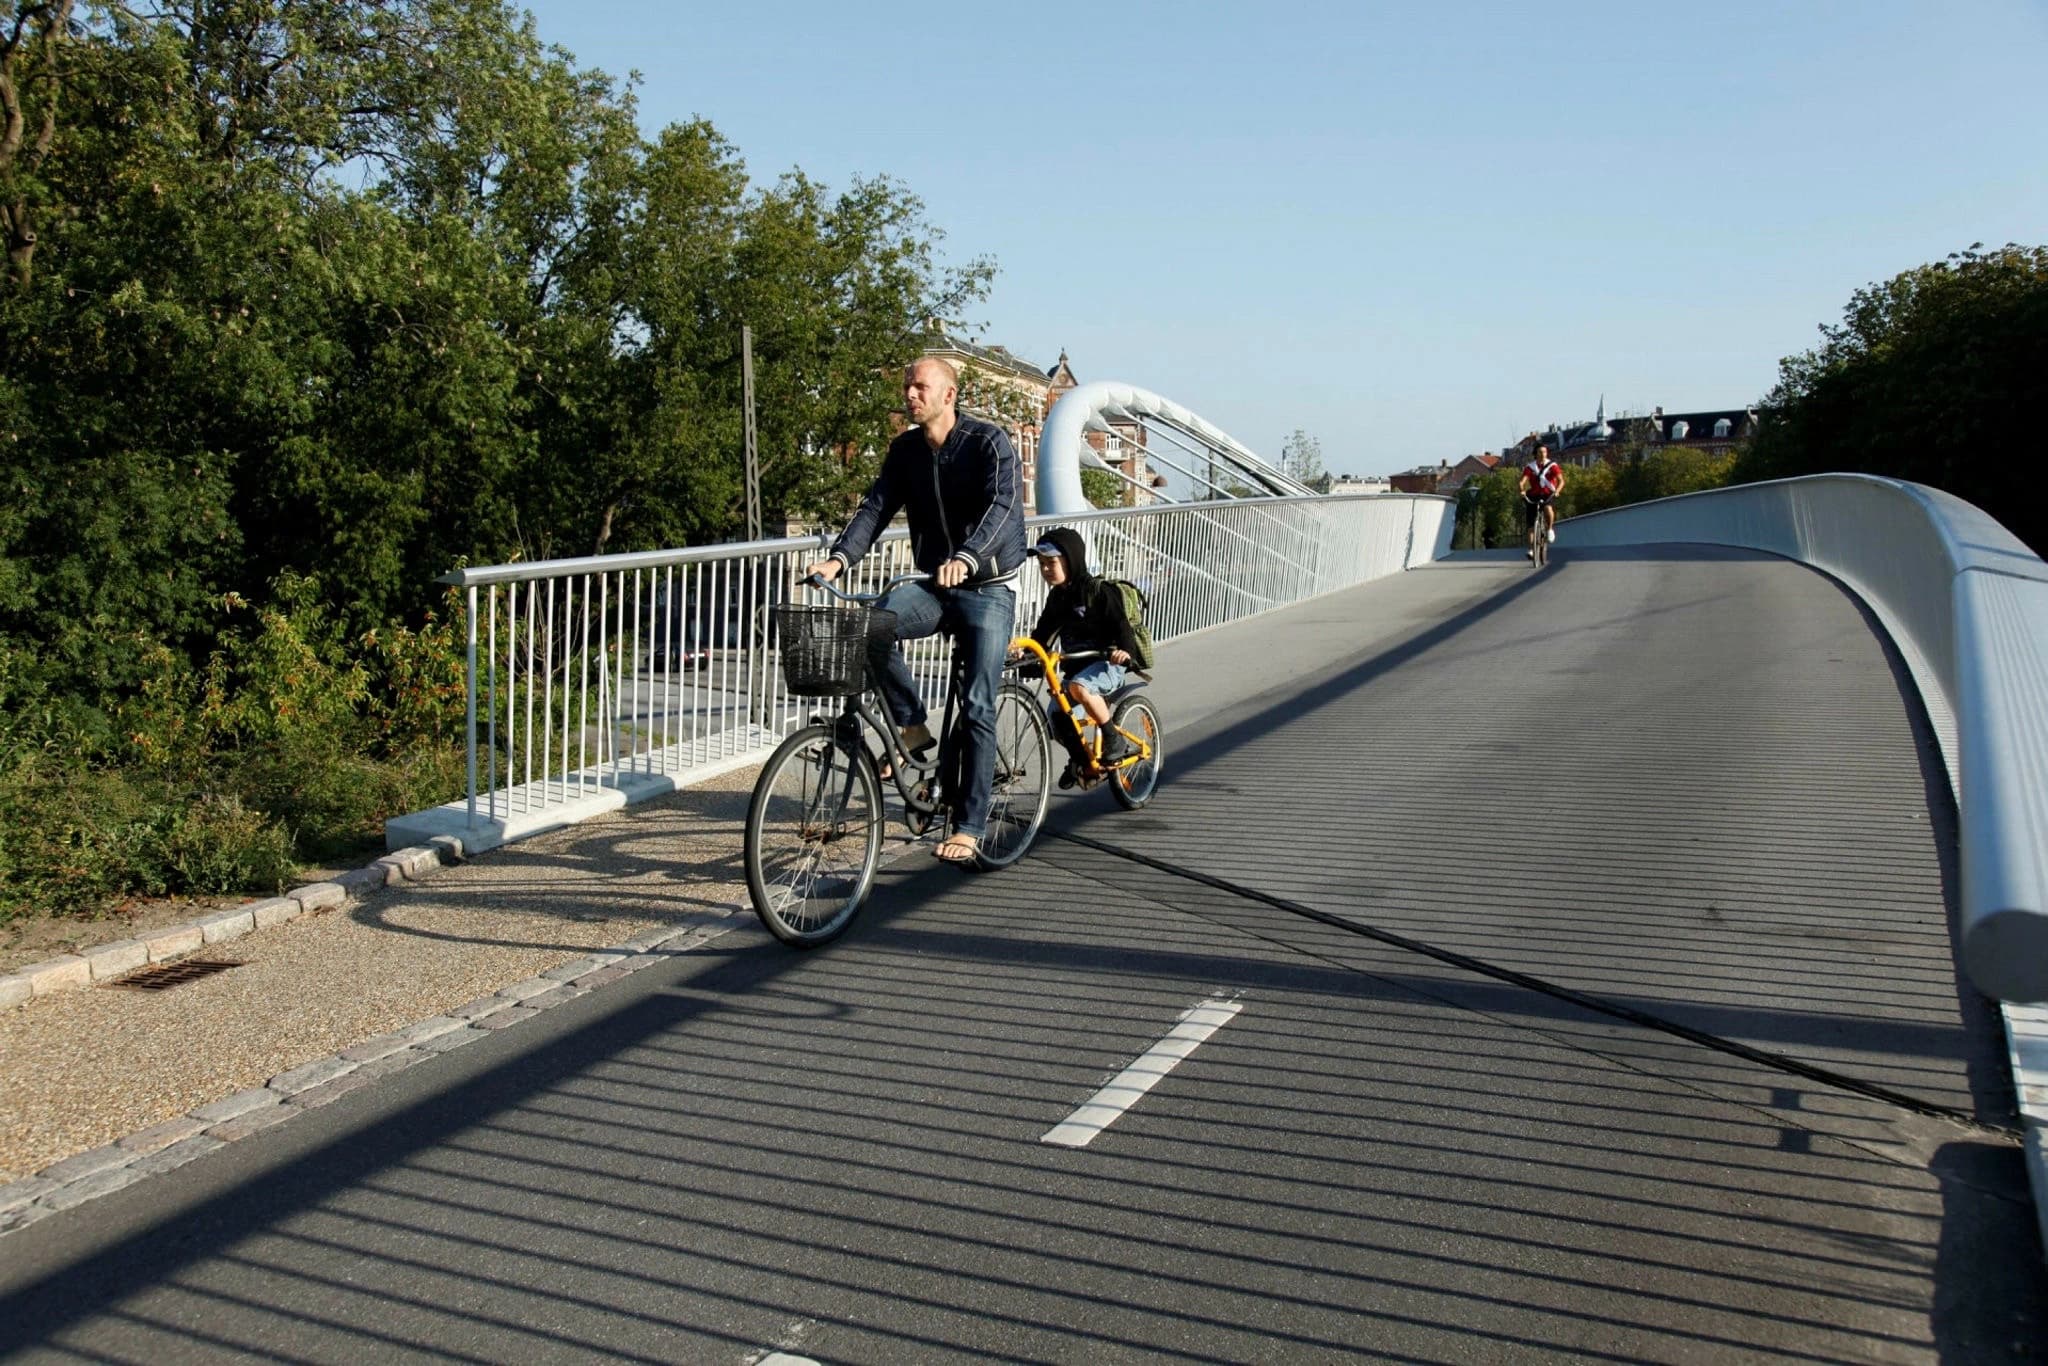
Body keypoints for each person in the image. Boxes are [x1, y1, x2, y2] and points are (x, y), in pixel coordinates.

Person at [804, 357, 1026, 865]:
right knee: (871, 624)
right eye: (907, 386)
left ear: (949, 395)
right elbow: (876, 507)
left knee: (977, 705)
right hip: (935, 583)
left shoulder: (988, 442)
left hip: (988, 585)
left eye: (920, 386)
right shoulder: (905, 450)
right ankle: (912, 724)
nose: (910, 394)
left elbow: (1003, 508)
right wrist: (839, 559)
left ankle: (970, 824)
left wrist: (969, 557)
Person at [1022, 528, 1144, 790]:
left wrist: (1125, 652)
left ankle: (1113, 738)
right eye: (1042, 564)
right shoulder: (1057, 597)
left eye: (1051, 563)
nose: (1045, 570)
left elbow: (1121, 624)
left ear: (1071, 559)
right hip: (1077, 670)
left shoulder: (1097, 591)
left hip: (1107, 666)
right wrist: (1028, 657)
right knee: (1055, 718)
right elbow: (1043, 633)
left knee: (1078, 687)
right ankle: (1081, 761)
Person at [1519, 444, 1565, 556]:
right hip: (1533, 495)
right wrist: (1522, 490)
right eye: (1540, 452)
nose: (1543, 454)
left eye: (1544, 452)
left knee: (1548, 509)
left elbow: (1561, 480)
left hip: (1547, 494)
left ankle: (1549, 529)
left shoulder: (1552, 466)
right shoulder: (1530, 467)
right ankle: (1531, 550)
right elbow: (1522, 482)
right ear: (1535, 454)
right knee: (1530, 525)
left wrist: (1557, 491)